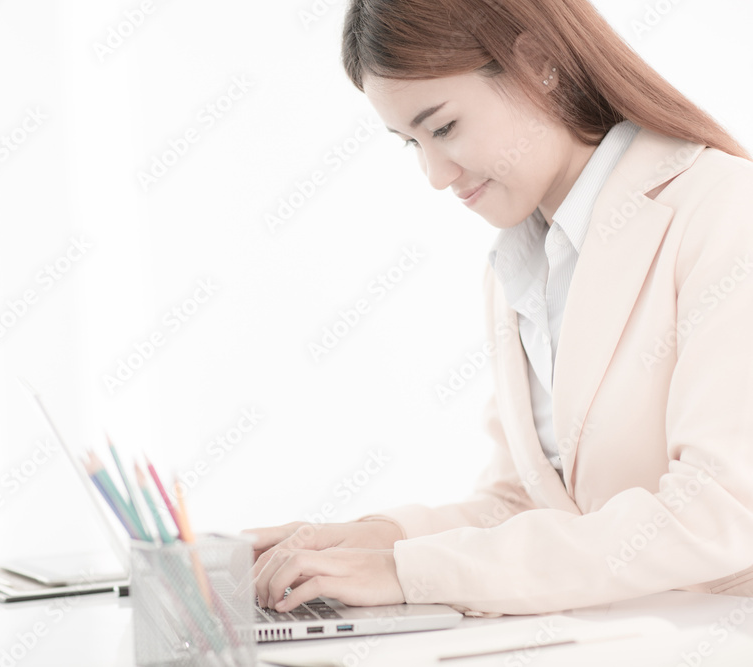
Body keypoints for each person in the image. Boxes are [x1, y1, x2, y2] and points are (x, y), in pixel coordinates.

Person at [243, 0, 753, 617]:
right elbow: (531, 505)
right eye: (411, 143)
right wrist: (381, 539)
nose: (435, 175)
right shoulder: (521, 260)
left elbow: (722, 509)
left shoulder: (726, 210)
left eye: (443, 128)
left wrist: (411, 572)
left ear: (538, 63)